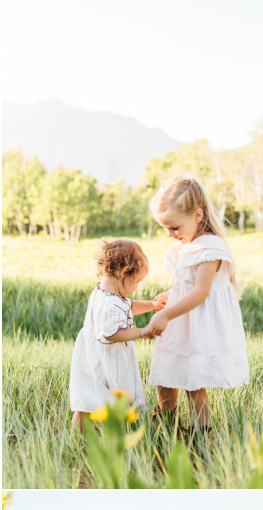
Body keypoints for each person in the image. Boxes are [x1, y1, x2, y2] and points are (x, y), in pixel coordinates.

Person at [146, 174, 249, 433]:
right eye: (165, 228)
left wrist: (167, 314)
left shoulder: (210, 249)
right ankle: (166, 425)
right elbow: (188, 285)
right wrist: (171, 294)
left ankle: (200, 435)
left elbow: (201, 292)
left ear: (198, 215)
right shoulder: (189, 244)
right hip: (184, 321)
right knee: (166, 373)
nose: (170, 234)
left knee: (194, 383)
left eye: (174, 227)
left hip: (198, 326)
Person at [69, 238, 159, 431]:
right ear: (123, 273)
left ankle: (76, 441)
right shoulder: (112, 302)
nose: (136, 287)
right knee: (105, 401)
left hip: (91, 357)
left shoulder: (104, 293)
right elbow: (112, 333)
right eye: (136, 282)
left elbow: (128, 307)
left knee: (86, 404)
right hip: (104, 361)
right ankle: (109, 439)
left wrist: (152, 305)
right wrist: (141, 332)